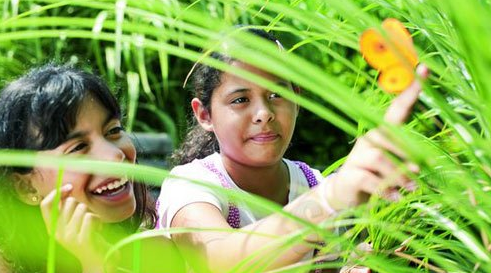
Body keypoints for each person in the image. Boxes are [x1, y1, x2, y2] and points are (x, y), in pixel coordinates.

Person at [157, 28, 428, 273]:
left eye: (277, 94)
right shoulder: (190, 186)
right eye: (240, 100)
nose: (263, 113)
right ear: (204, 114)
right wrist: (331, 197)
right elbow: (218, 261)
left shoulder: (312, 183)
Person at [0, 64, 185, 273]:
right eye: (78, 147)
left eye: (113, 130)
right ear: (26, 187)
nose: (114, 155)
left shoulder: (156, 255)